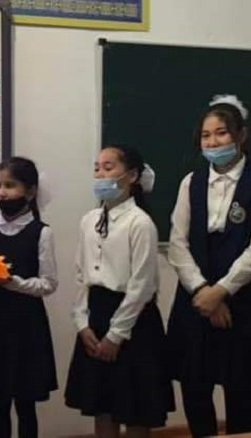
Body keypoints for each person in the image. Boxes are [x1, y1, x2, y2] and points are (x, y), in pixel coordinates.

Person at [166, 95, 251, 437]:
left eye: (221, 133)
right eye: (206, 135)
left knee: (239, 385)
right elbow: (177, 243)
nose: (213, 142)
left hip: (241, 297)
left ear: (241, 135)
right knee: (194, 384)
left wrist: (222, 291)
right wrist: (203, 290)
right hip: (195, 296)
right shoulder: (191, 181)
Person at [65, 144, 175, 437]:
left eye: (109, 167)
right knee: (102, 406)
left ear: (132, 176)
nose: (100, 174)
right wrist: (82, 322)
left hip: (132, 322)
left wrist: (116, 335)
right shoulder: (89, 220)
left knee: (135, 408)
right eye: (97, 168)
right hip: (96, 315)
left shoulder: (140, 223)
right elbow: (81, 274)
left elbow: (142, 285)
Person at [0, 157, 58, 438]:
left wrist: (11, 282)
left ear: (30, 192)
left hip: (27, 323)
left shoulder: (41, 232)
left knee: (25, 403)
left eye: (10, 185)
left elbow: (48, 283)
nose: (2, 193)